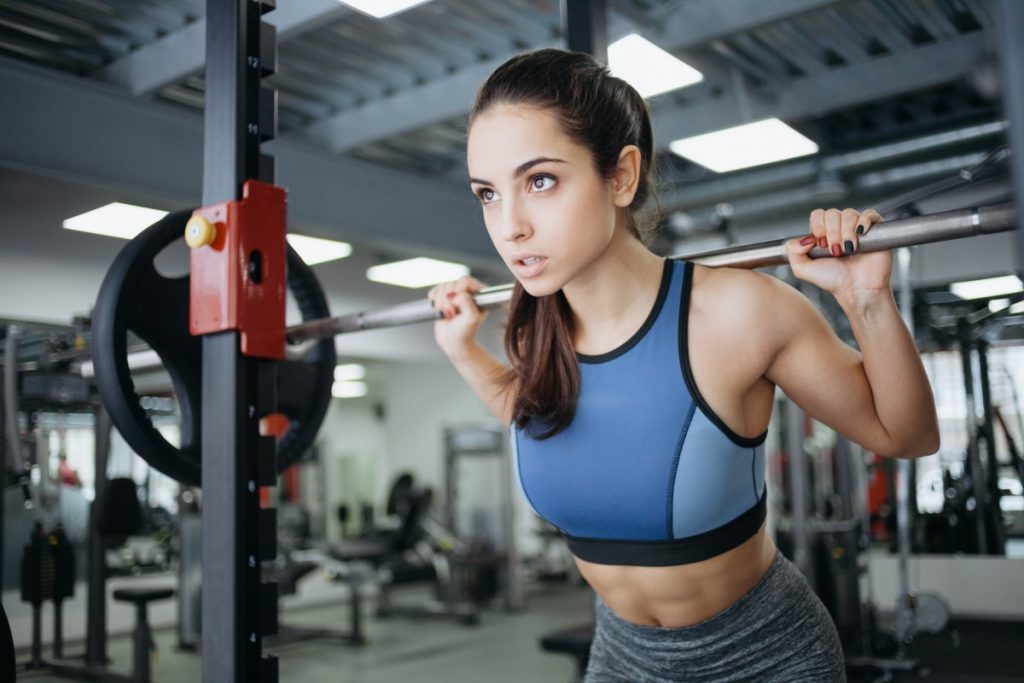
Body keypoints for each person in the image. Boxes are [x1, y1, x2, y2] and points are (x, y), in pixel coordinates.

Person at [427, 48, 939, 682]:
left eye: (540, 181)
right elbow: (541, 419)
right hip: (620, 658)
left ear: (620, 176)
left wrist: (867, 301)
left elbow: (908, 434)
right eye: (487, 194)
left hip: (764, 659)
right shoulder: (539, 333)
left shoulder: (737, 312)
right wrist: (462, 351)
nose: (510, 227)